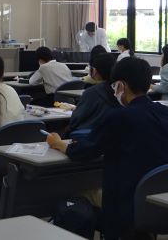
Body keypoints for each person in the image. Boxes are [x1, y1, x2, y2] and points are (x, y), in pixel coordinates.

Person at [47, 57, 168, 240]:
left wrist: (58, 143)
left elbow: (84, 151)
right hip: (158, 205)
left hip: (123, 206)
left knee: (76, 191)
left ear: (121, 85)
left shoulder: (119, 117)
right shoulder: (163, 113)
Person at [65, 53, 118, 135]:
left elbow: (75, 119)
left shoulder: (92, 92)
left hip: (89, 137)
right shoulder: (121, 91)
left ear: (94, 71)